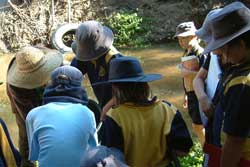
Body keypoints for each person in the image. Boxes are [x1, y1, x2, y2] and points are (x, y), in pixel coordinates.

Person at [95, 56, 193, 167]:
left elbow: (111, 158)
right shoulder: (168, 110)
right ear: (144, 84)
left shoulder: (114, 116)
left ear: (116, 88)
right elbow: (183, 151)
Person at [202, 2, 250, 167]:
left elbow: (235, 140)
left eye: (224, 50)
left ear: (242, 45)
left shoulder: (241, 84)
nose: (221, 56)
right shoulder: (241, 70)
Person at [26, 66, 98, 167]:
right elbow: (93, 150)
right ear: (79, 87)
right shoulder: (88, 113)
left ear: (50, 86)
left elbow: (35, 155)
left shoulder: (33, 114)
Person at [6, 46, 63, 167]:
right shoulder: (16, 87)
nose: (43, 81)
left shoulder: (45, 57)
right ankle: (27, 162)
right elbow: (31, 118)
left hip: (47, 96)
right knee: (26, 134)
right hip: (24, 104)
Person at [70, 20, 122, 112]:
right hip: (103, 104)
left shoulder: (115, 61)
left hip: (120, 107)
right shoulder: (83, 58)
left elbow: (125, 93)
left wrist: (106, 109)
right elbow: (71, 76)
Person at [175, 21, 205, 145]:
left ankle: (207, 148)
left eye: (184, 38)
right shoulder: (186, 53)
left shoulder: (201, 53)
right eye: (179, 39)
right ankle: (206, 148)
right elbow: (185, 78)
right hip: (191, 92)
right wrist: (185, 95)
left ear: (195, 36)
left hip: (200, 93)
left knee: (198, 124)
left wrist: (187, 72)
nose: (181, 41)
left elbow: (206, 75)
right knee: (196, 124)